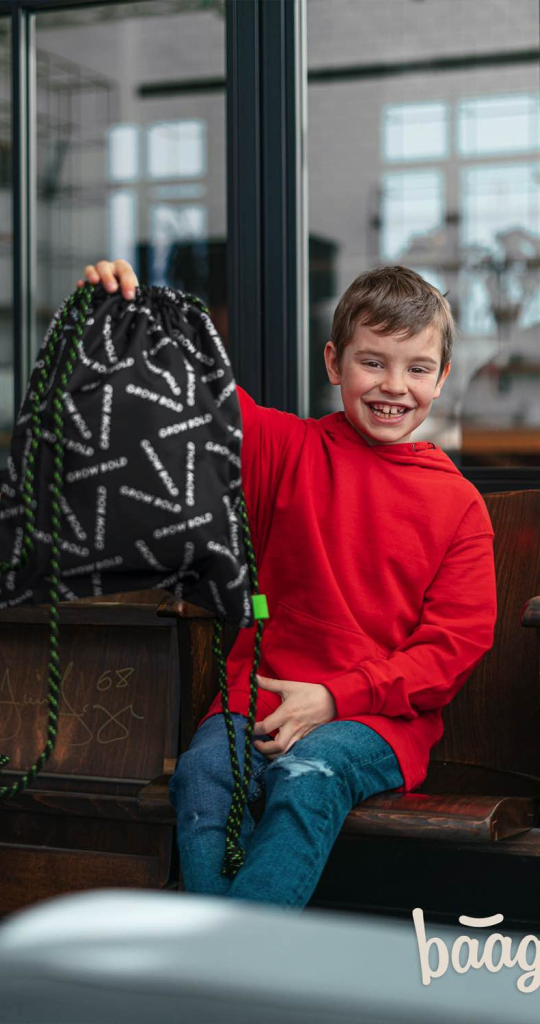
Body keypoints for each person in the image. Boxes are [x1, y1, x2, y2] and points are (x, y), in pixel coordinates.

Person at [76, 260, 498, 909]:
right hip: (257, 701)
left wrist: (334, 697)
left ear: (441, 378)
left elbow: (452, 650)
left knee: (307, 776)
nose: (394, 386)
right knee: (203, 775)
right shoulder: (289, 448)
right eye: (372, 362)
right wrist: (125, 316)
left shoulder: (460, 505)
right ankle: (236, 964)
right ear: (333, 363)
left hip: (377, 721)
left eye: (416, 368)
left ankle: (222, 965)